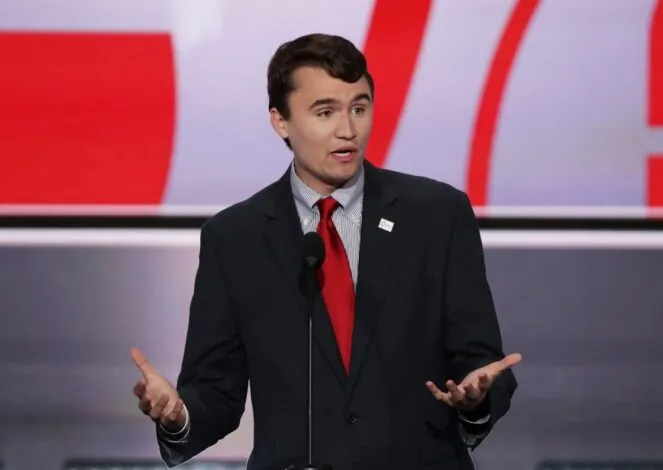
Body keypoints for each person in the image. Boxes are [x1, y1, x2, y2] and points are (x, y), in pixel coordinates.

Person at [131, 33, 520, 470]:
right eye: (325, 112)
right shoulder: (235, 238)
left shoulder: (436, 216)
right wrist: (178, 415)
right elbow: (216, 392)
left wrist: (474, 399)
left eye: (359, 107)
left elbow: (481, 362)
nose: (348, 130)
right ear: (280, 121)